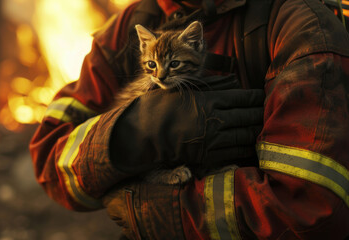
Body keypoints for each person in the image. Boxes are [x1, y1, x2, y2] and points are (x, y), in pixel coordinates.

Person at [29, 0, 349, 238]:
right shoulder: (136, 21)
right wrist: (128, 134)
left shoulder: (298, 24)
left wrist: (159, 212)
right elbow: (48, 160)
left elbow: (313, 208)